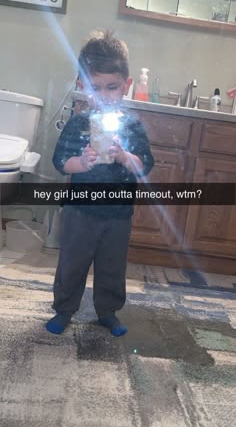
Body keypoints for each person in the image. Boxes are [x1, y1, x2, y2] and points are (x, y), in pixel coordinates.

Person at [46, 30, 154, 336]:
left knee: (112, 267)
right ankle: (64, 310)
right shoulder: (79, 122)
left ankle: (108, 311)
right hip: (80, 212)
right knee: (72, 264)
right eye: (95, 88)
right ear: (82, 85)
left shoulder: (132, 125)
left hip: (118, 215)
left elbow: (143, 166)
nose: (104, 95)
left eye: (112, 87)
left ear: (126, 86)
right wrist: (82, 162)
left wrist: (122, 156)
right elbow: (60, 161)